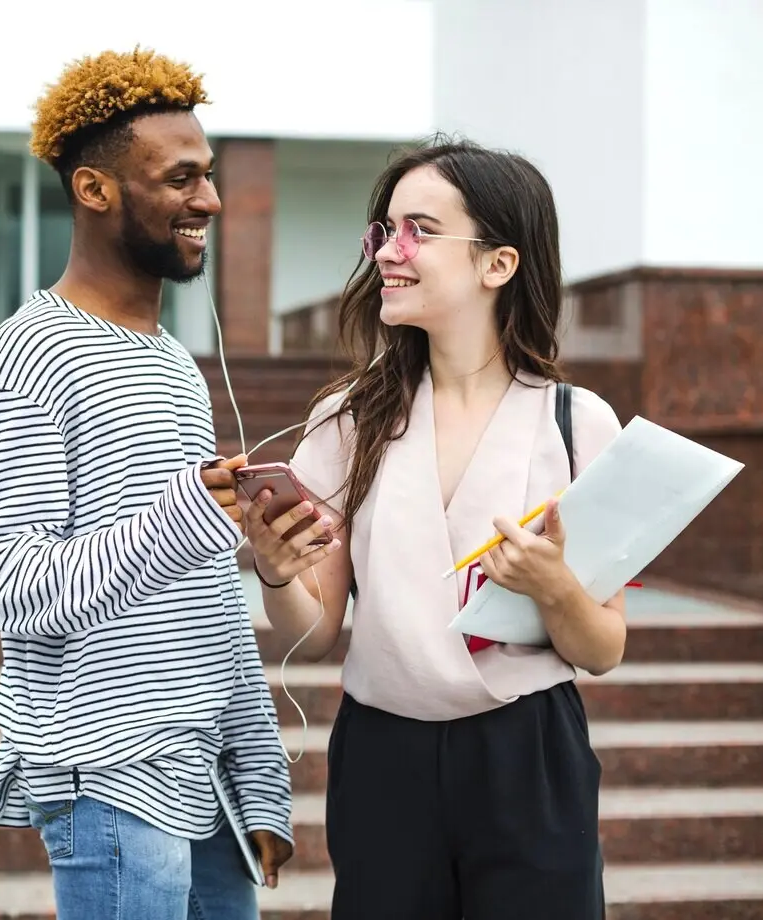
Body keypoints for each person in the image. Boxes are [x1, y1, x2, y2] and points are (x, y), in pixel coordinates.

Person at [0, 48, 295, 920]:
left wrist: (255, 766)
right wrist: (179, 518)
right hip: (107, 779)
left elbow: (203, 590)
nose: (209, 201)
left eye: (208, 176)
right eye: (180, 179)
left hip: (205, 779)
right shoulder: (28, 353)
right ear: (95, 191)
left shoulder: (174, 362)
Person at [245, 138, 624, 920]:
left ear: (499, 264)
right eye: (383, 230)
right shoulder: (349, 420)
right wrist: (277, 570)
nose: (389, 250)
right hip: (385, 755)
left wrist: (555, 587)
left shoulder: (576, 424)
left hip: (529, 754)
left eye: (419, 229)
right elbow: (314, 636)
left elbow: (602, 649)